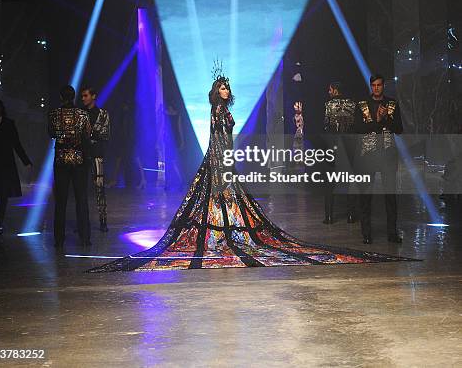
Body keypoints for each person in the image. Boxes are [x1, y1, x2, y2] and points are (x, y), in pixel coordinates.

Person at [88, 67, 407, 273]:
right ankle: (221, 236)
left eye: (228, 88)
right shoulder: (217, 110)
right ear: (217, 91)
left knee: (227, 203)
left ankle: (225, 232)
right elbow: (217, 138)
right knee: (219, 202)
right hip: (219, 159)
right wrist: (221, 163)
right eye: (223, 87)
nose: (226, 91)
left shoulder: (223, 109)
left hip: (226, 158)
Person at [354, 74, 403, 244]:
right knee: (366, 196)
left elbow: (399, 129)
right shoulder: (362, 105)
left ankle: (392, 233)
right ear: (370, 86)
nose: (376, 88)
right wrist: (377, 120)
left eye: (379, 85)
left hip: (388, 154)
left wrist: (386, 118)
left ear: (383, 86)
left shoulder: (392, 104)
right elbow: (358, 129)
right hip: (368, 155)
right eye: (373, 85)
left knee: (390, 196)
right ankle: (366, 233)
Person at [0, 98, 32, 234]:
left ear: (1, 108)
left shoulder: (8, 124)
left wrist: (26, 161)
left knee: (3, 194)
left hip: (5, 166)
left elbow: (16, 144)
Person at [48, 85, 91, 249]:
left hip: (61, 160)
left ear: (60, 97)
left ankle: (59, 239)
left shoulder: (53, 114)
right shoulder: (83, 114)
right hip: (79, 160)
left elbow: (51, 133)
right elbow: (87, 134)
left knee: (61, 202)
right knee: (81, 200)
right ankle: (85, 237)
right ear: (73, 97)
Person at [322, 82, 356, 225]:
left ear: (335, 90)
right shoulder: (352, 104)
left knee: (330, 182)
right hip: (348, 147)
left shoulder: (328, 104)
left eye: (329, 89)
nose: (328, 91)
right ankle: (350, 216)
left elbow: (325, 125)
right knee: (349, 182)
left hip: (333, 146)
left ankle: (329, 217)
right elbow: (355, 125)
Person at [81, 86, 110, 232]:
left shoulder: (103, 114)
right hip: (82, 155)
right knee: (81, 189)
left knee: (99, 188)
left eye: (85, 95)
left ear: (93, 96)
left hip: (97, 155)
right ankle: (83, 221)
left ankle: (103, 220)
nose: (83, 98)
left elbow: (105, 134)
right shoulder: (80, 114)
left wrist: (89, 135)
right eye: (82, 96)